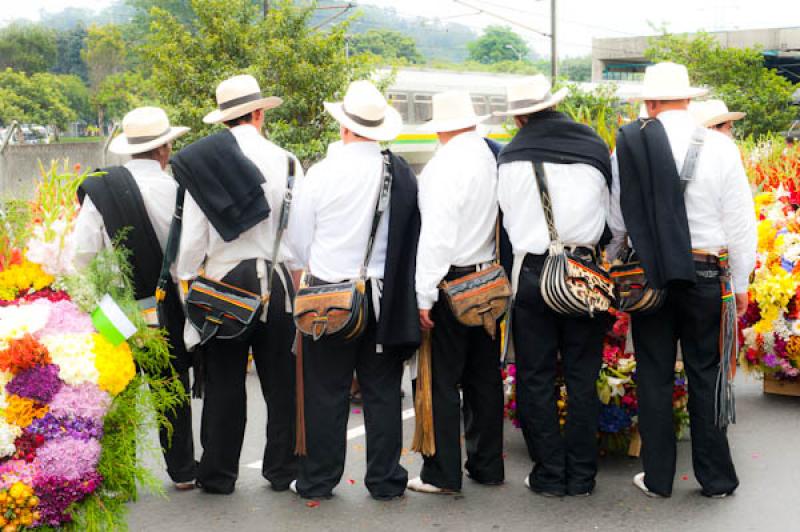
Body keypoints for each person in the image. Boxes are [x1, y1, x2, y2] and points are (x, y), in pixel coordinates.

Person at [610, 62, 757, 498]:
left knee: (654, 374)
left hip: (651, 276)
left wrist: (618, 259)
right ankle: (716, 480)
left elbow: (618, 219)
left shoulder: (628, 148)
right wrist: (742, 281)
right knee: (706, 373)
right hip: (708, 274)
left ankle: (658, 479)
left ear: (650, 103)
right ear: (687, 100)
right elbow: (740, 219)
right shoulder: (719, 146)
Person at [287, 80, 421, 500]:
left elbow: (298, 242)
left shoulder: (323, 173)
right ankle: (384, 480)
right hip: (383, 297)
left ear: (345, 127)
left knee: (327, 391)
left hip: (330, 299)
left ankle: (319, 479)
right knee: (382, 392)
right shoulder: (399, 173)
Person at [174, 74, 302, 494]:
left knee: (226, 383)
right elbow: (298, 236)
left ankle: (218, 474)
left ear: (223, 120)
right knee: (281, 381)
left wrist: (187, 278)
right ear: (260, 112)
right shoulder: (287, 161)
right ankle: (282, 470)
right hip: (278, 280)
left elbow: (193, 239)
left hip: (225, 283)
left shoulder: (205, 163)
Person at [495, 75, 613, 497]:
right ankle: (582, 475)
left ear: (521, 117)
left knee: (535, 376)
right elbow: (613, 223)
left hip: (532, 274)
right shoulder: (595, 148)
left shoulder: (510, 158)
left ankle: (548, 473)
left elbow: (509, 225)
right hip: (585, 274)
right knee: (583, 376)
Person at [74, 106, 197, 490]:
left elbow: (81, 254)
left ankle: (118, 475)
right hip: (164, 304)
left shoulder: (101, 189)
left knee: (117, 388)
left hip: (114, 304)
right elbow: (188, 256)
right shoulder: (179, 190)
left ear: (128, 149)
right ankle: (182, 472)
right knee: (170, 387)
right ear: (165, 148)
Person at [407, 90, 504, 494]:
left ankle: (443, 473)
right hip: (487, 280)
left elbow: (437, 235)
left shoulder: (443, 165)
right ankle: (487, 466)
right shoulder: (488, 154)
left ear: (440, 127)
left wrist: (423, 293)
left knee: (439, 381)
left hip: (450, 282)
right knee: (484, 377)